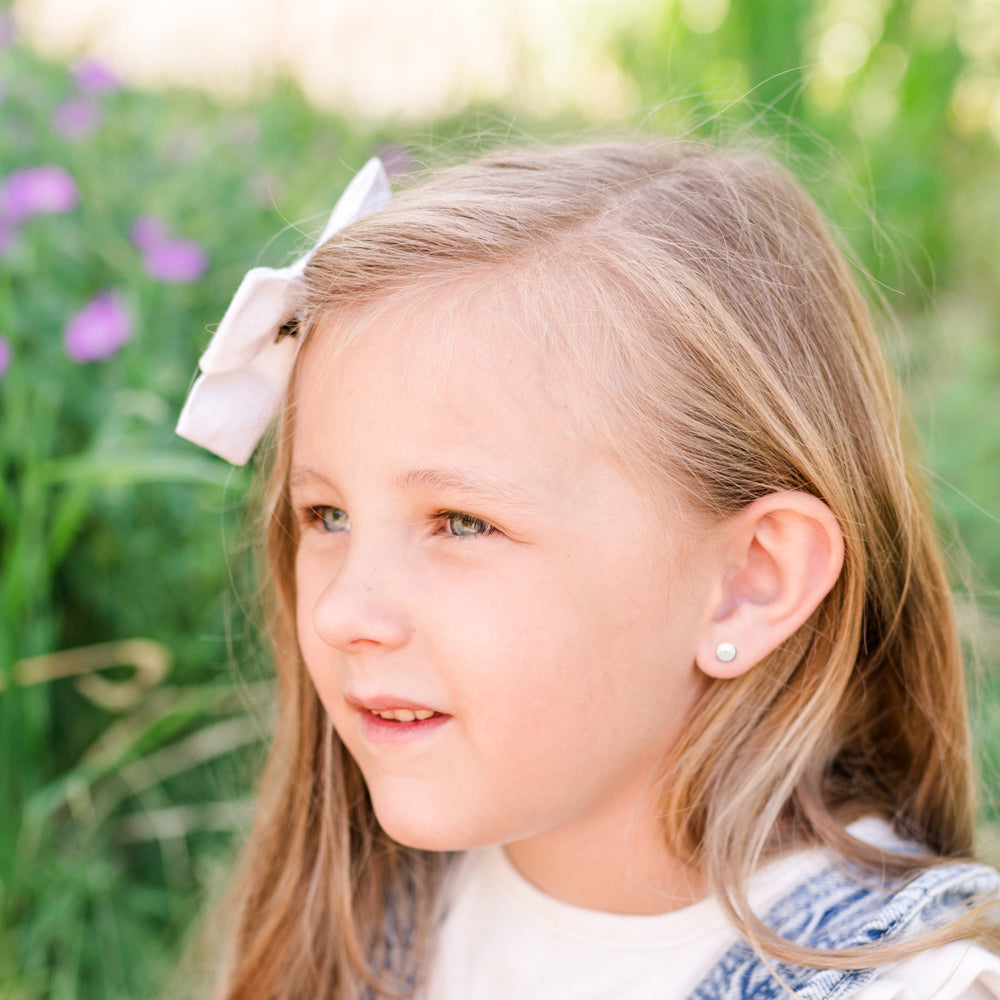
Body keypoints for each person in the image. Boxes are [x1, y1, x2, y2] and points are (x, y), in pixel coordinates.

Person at [176, 139, 1000, 1000]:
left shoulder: (910, 987)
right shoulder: (368, 913)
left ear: (750, 581)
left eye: (460, 523)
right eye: (327, 516)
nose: (345, 611)